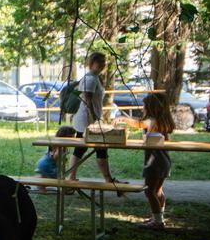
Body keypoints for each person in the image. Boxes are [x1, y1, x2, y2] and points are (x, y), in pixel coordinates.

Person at [115, 94, 175, 229]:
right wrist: (127, 119)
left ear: (151, 108)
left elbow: (140, 124)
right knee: (158, 191)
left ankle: (158, 222)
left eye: (144, 106)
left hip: (154, 162)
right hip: (164, 161)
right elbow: (140, 123)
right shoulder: (161, 122)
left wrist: (123, 119)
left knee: (149, 191)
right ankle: (158, 216)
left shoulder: (153, 122)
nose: (143, 109)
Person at [66, 52, 123, 186]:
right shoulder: (90, 79)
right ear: (92, 63)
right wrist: (95, 118)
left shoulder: (94, 77)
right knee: (96, 147)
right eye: (100, 63)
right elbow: (88, 100)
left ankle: (73, 176)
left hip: (88, 119)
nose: (102, 65)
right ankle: (106, 179)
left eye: (104, 63)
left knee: (87, 149)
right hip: (87, 120)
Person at [34, 126, 77, 193]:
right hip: (48, 164)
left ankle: (39, 181)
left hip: (43, 162)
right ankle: (40, 184)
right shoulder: (61, 146)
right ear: (65, 137)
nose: (74, 138)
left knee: (51, 177)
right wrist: (62, 157)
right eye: (72, 137)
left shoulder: (56, 141)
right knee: (56, 180)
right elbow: (55, 156)